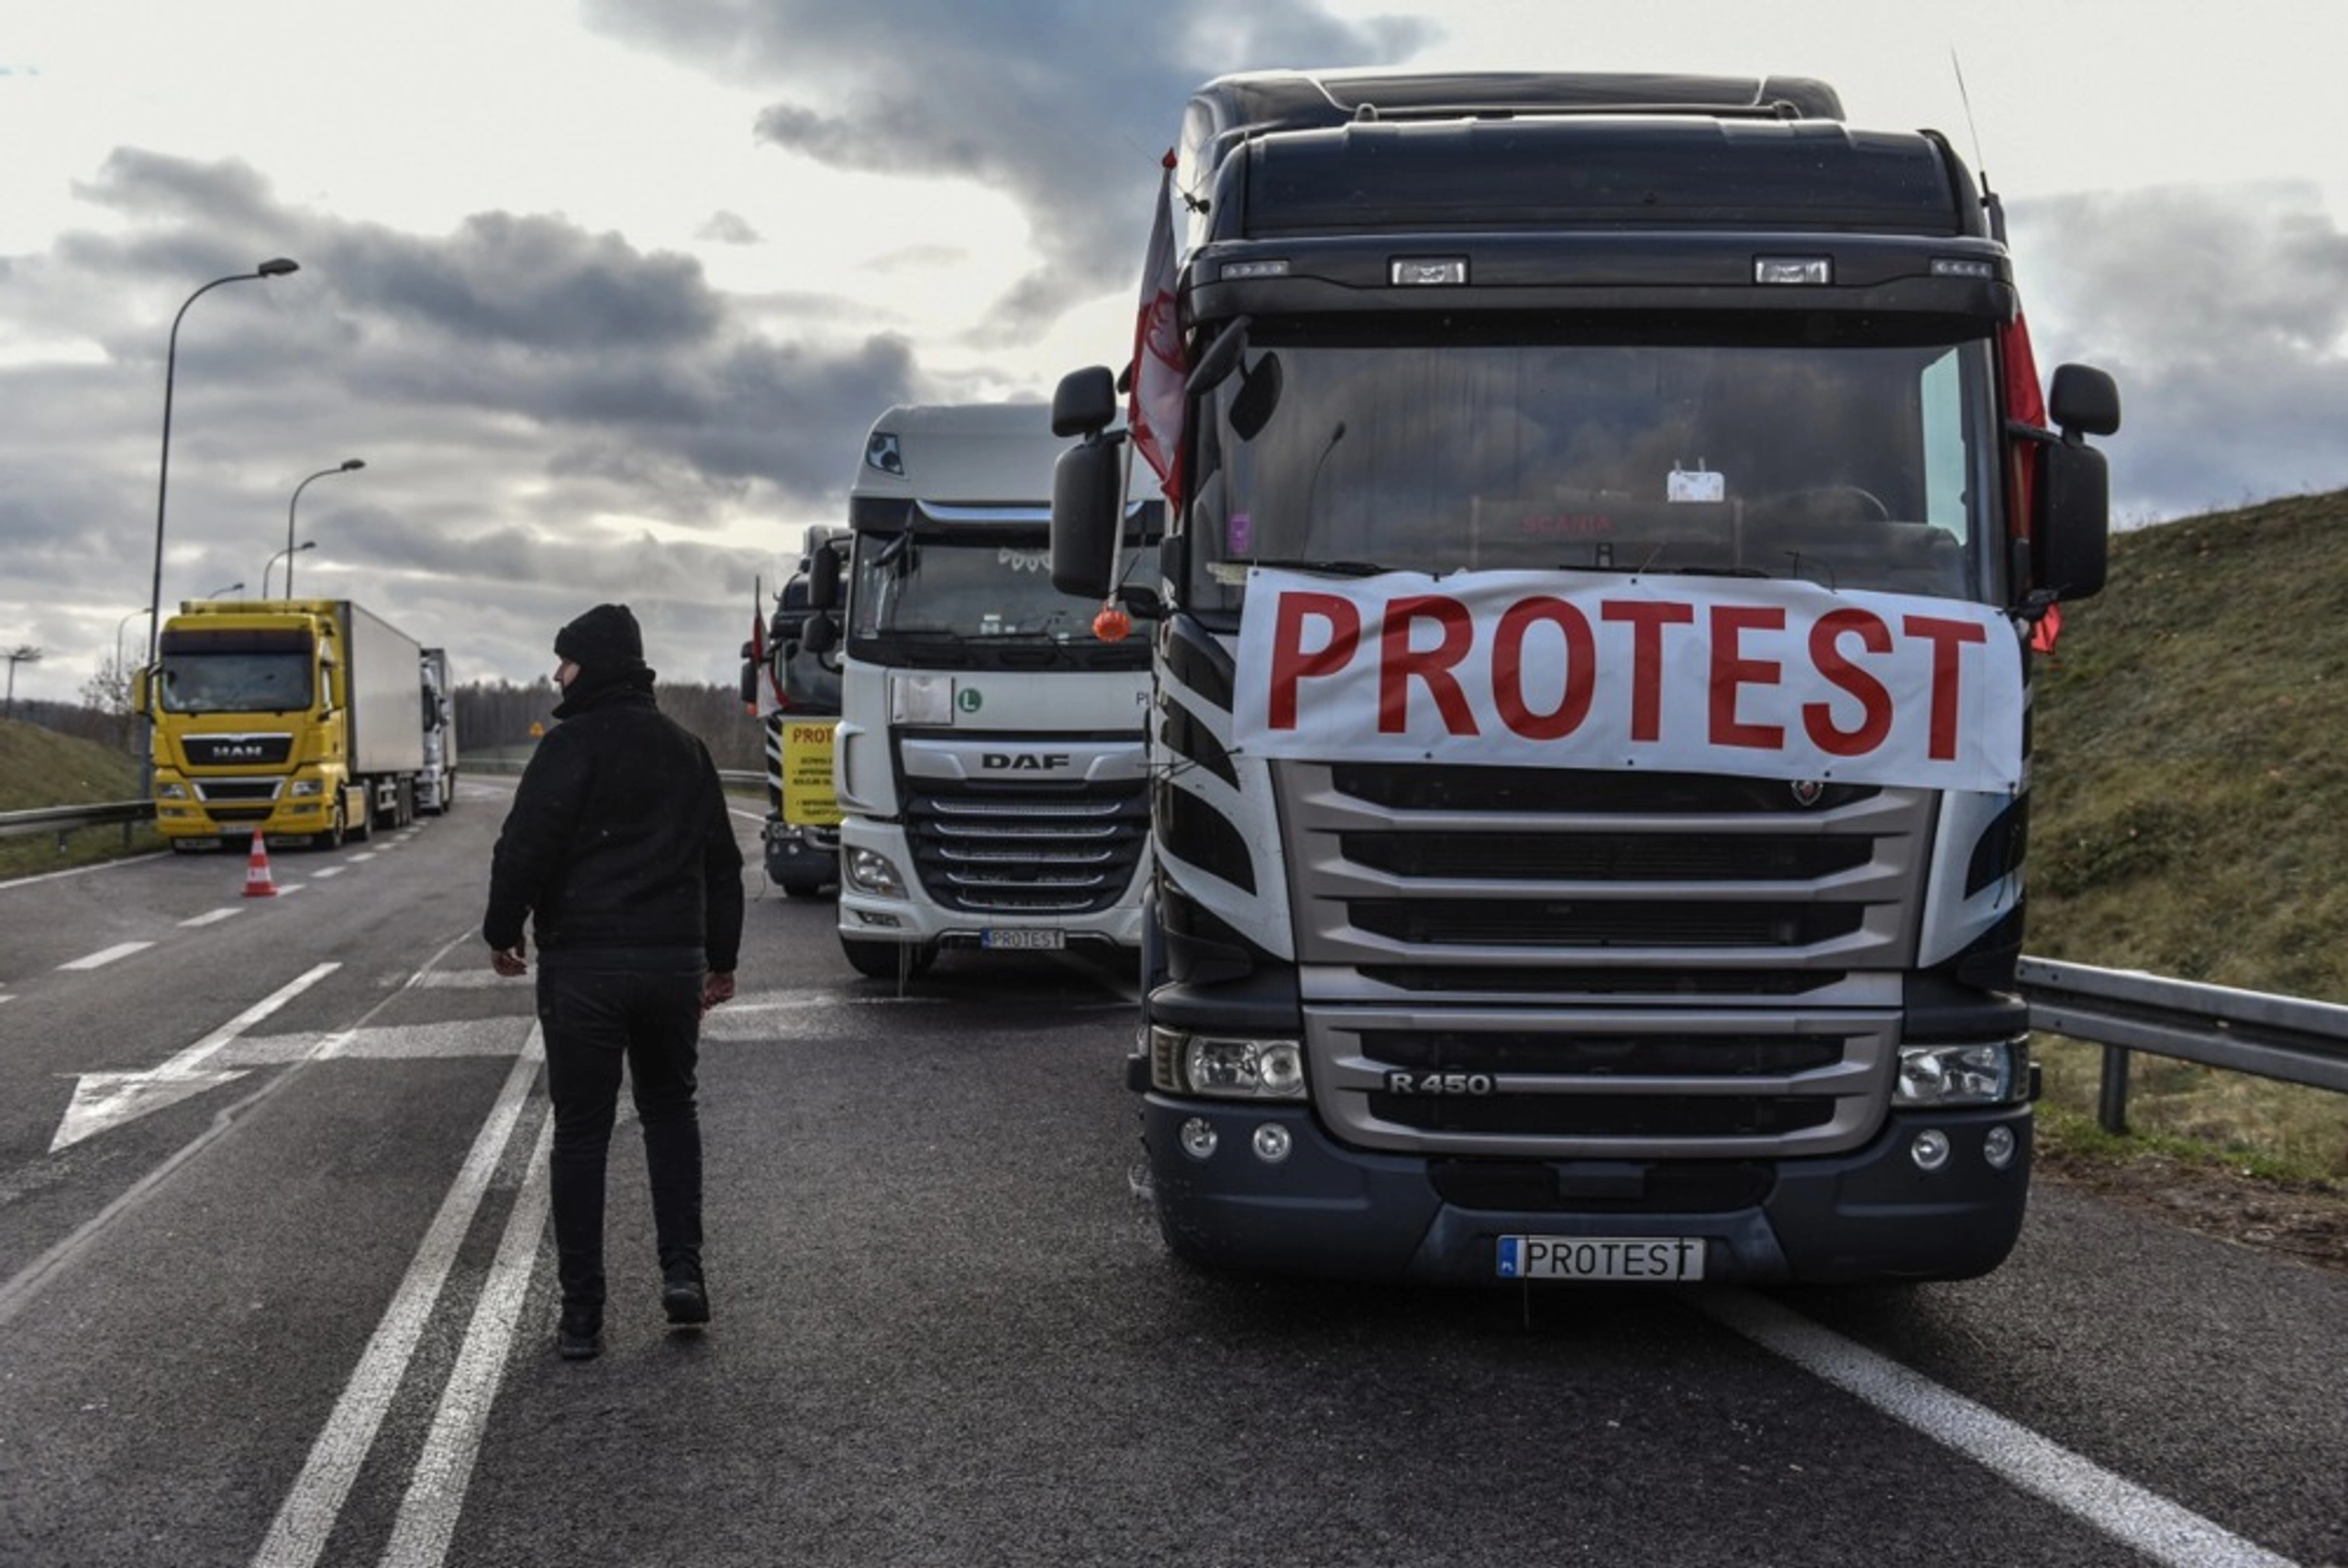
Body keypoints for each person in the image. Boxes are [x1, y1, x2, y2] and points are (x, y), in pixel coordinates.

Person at [482, 602, 745, 1362]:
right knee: (670, 1114)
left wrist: (504, 930)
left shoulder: (568, 748)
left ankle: (581, 1316)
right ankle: (682, 1275)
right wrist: (719, 960)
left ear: (591, 664)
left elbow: (522, 846)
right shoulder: (688, 750)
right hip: (670, 966)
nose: (558, 675)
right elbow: (722, 866)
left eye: (565, 662)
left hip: (585, 970)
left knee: (582, 1133)